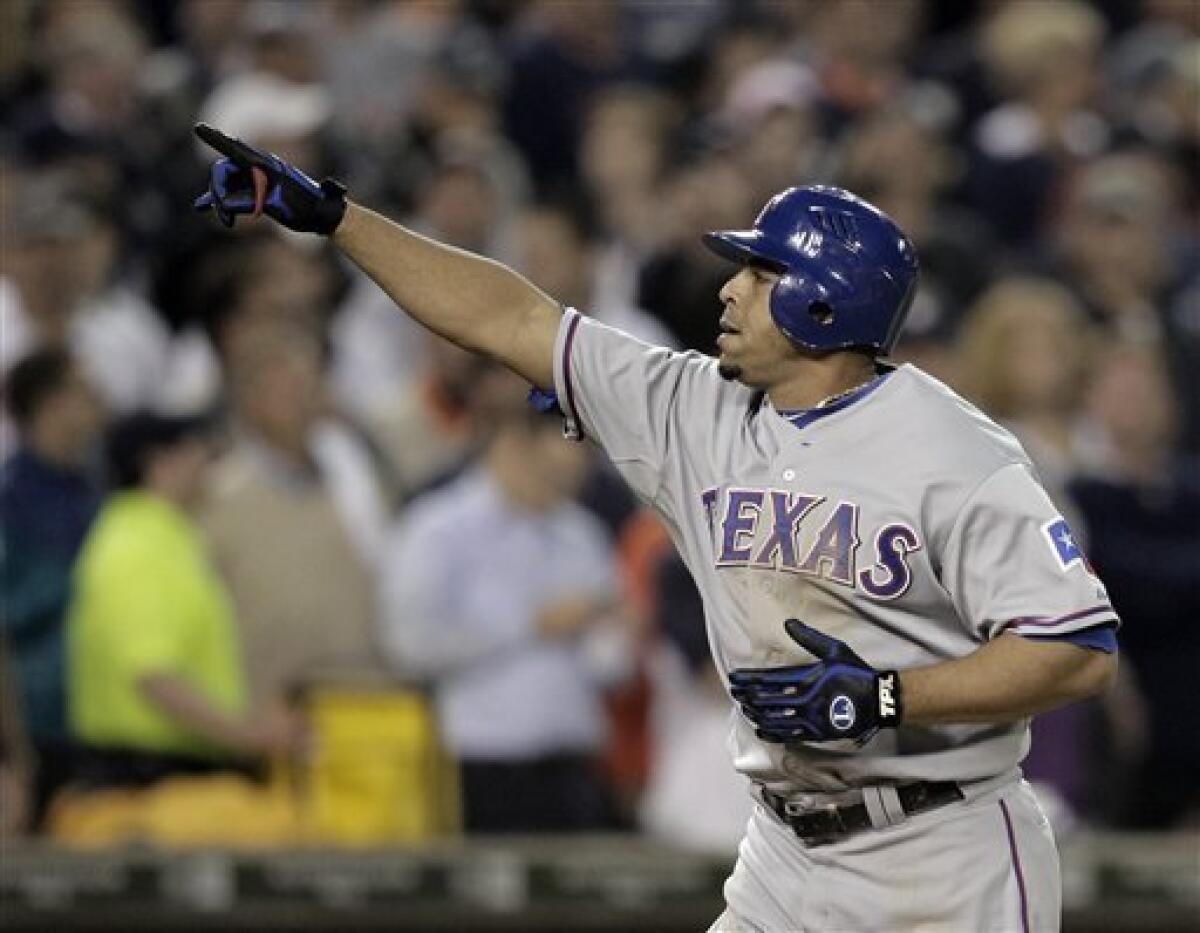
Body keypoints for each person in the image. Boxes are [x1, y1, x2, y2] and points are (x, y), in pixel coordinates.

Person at [192, 124, 1120, 932]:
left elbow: (1078, 650)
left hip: (942, 849)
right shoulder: (692, 406)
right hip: (787, 851)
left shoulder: (953, 451)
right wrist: (337, 221)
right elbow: (509, 316)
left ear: (820, 302)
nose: (729, 289)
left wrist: (886, 698)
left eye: (761, 273)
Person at [380, 369, 627, 833]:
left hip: (573, 760)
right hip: (481, 762)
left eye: (573, 477)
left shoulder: (582, 534)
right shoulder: (438, 530)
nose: (562, 488)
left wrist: (617, 634)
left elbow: (611, 666)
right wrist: (530, 624)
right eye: (552, 472)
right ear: (513, 445)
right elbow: (409, 646)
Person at [68, 411, 300, 789]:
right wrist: (250, 735)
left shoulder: (171, 539)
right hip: (149, 777)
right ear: (159, 463)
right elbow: (154, 675)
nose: (207, 463)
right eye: (194, 451)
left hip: (182, 769)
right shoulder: (135, 546)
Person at [0, 349, 104, 825]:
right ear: (51, 404)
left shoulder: (96, 493)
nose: (101, 403)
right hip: (33, 721)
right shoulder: (10, 500)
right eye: (84, 392)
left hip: (91, 719)